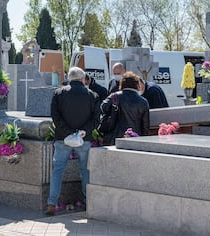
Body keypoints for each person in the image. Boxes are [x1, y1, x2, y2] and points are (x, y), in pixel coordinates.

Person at [46, 67, 100, 216]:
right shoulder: (93, 95)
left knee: (57, 170)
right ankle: (89, 202)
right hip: (84, 139)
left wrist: (69, 132)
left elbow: (55, 117)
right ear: (83, 79)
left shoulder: (58, 93)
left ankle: (51, 203)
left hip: (62, 138)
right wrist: (81, 132)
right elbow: (96, 120)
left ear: (69, 79)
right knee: (85, 171)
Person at [101, 72, 150, 145]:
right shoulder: (143, 101)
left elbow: (103, 107)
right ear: (136, 85)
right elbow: (145, 125)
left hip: (114, 137)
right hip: (135, 137)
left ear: (122, 84)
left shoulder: (115, 96)